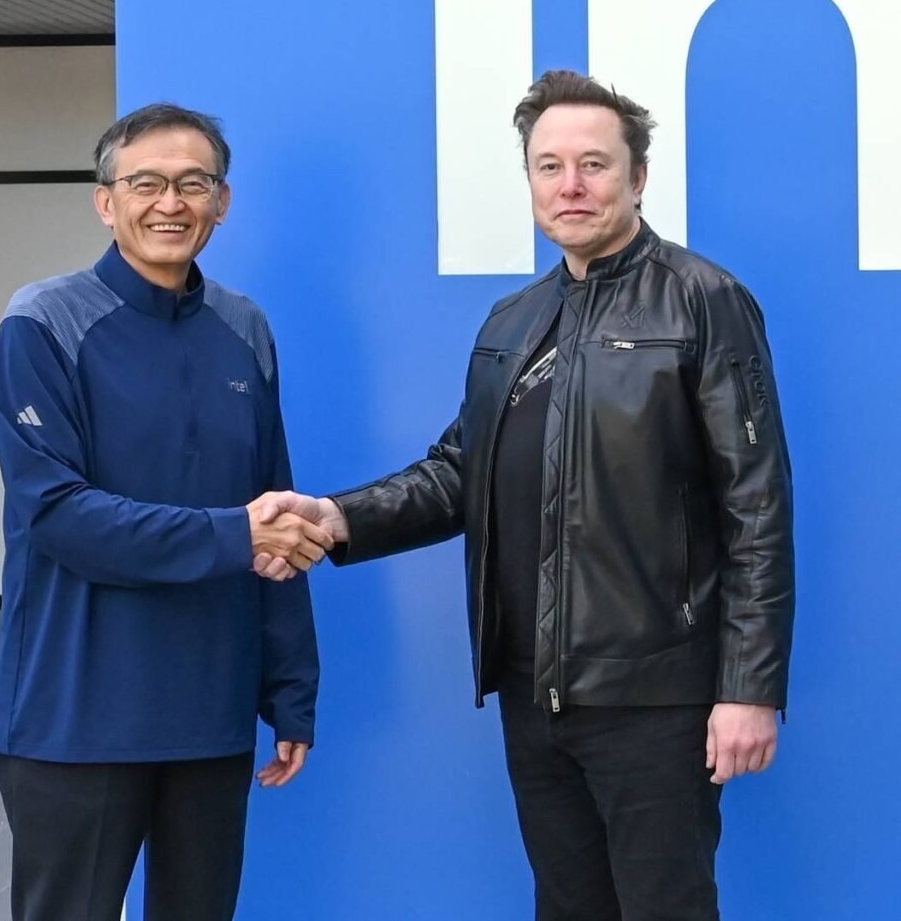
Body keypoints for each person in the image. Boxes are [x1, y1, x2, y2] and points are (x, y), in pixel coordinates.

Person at [258, 70, 795, 921]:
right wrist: (337, 518)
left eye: (594, 164)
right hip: (534, 696)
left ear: (638, 177)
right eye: (550, 166)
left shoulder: (705, 300)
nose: (570, 185)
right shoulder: (513, 321)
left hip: (656, 695)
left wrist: (749, 688)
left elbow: (756, 506)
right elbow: (458, 472)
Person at [0, 102, 332, 921]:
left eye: (193, 184)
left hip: (211, 713)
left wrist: (290, 688)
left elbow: (277, 509)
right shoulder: (43, 323)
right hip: (75, 717)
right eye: (145, 183)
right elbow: (59, 515)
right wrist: (234, 533)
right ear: (106, 202)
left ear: (222, 202)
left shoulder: (244, 328)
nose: (169, 203)